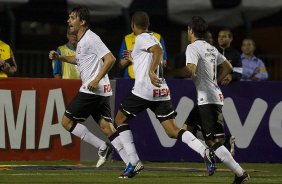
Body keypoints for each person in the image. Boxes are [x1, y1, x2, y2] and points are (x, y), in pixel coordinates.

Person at [115, 11, 215, 179]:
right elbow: (152, 53)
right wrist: (134, 57)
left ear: (133, 25)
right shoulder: (153, 37)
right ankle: (204, 150)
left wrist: (151, 71)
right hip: (161, 90)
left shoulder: (141, 39)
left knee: (119, 120)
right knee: (172, 130)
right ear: (148, 25)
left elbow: (158, 51)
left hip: (144, 90)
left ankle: (133, 162)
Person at [49, 6, 130, 168]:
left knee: (66, 122)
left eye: (72, 18)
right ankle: (131, 162)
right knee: (107, 128)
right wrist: (61, 58)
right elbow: (78, 60)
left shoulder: (91, 38)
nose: (69, 21)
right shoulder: (82, 39)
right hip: (101, 90)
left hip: (92, 89)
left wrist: (96, 79)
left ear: (83, 21)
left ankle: (102, 146)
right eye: (69, 18)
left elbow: (111, 59)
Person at [176, 16, 250, 184]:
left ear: (190, 30)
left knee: (213, 142)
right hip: (209, 97)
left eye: (188, 29)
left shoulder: (193, 48)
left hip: (208, 99)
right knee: (187, 130)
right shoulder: (211, 48)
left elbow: (190, 70)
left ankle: (240, 173)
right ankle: (213, 148)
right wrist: (215, 82)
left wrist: (173, 72)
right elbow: (228, 67)